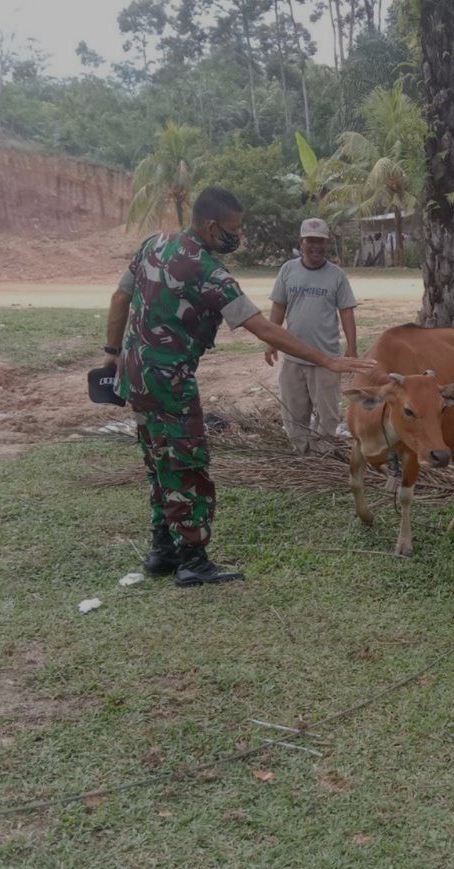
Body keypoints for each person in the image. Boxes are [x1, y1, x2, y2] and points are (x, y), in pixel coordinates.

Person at [102, 188, 375, 587]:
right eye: (234, 229)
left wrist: (111, 354)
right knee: (187, 464)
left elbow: (119, 297)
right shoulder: (209, 272)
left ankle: (162, 550)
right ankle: (192, 559)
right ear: (212, 227)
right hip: (171, 381)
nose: (238, 236)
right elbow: (263, 327)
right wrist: (328, 360)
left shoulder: (153, 244)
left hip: (134, 373)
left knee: (157, 458)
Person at [265, 218, 358, 453]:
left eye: (320, 241)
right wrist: (271, 342)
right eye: (310, 241)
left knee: (327, 414)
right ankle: (301, 453)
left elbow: (346, 313)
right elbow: (278, 307)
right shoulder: (288, 270)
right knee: (293, 412)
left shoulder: (337, 275)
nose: (315, 246)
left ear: (327, 244)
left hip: (326, 359)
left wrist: (352, 348)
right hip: (293, 357)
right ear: (301, 242)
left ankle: (323, 455)